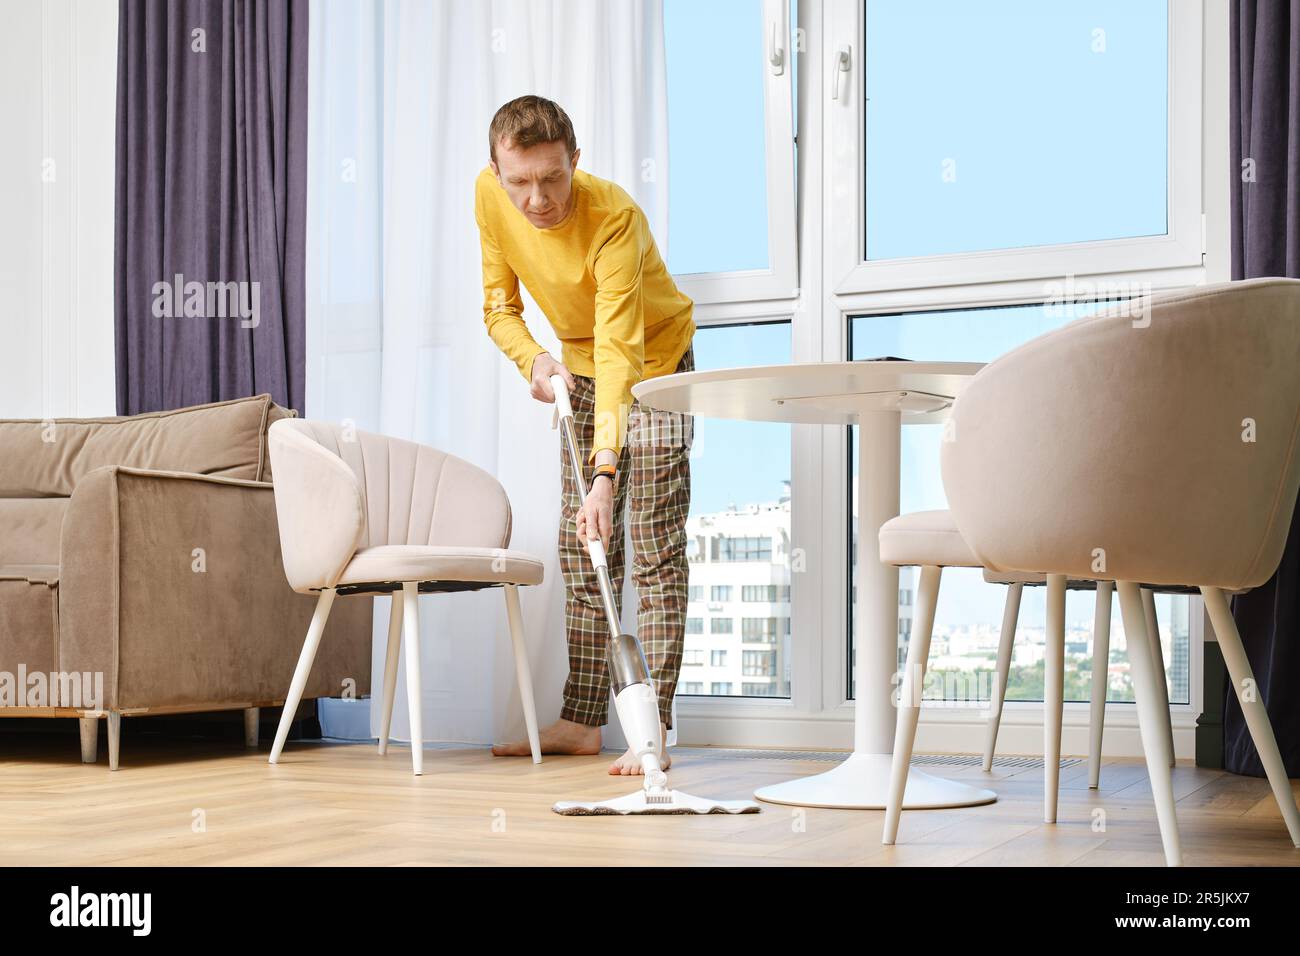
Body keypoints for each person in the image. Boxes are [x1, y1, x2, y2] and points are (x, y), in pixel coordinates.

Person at [477, 95, 696, 775]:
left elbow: (620, 350)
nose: (536, 199)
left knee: (652, 548)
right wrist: (534, 360)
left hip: (654, 366)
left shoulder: (615, 217)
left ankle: (651, 725)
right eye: (520, 181)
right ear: (497, 170)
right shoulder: (490, 197)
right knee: (586, 554)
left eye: (551, 178)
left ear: (576, 161)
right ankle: (581, 719)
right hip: (577, 366)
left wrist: (604, 474)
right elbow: (498, 307)